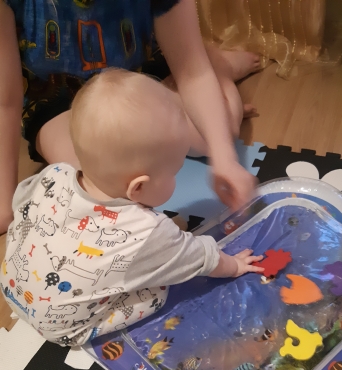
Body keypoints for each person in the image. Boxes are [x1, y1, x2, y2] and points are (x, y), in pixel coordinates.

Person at [0, 69, 264, 346]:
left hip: (11, 286)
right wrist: (234, 265)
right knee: (158, 291)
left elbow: (22, 204)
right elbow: (199, 258)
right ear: (137, 188)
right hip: (62, 328)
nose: (177, 177)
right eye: (174, 172)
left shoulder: (54, 174)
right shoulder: (146, 231)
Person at [0, 0, 261, 235]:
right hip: (55, 97)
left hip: (139, 75)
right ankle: (214, 64)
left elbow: (193, 72)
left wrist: (225, 158)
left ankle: (219, 65)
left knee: (219, 133)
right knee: (97, 185)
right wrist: (4, 203)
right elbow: (6, 101)